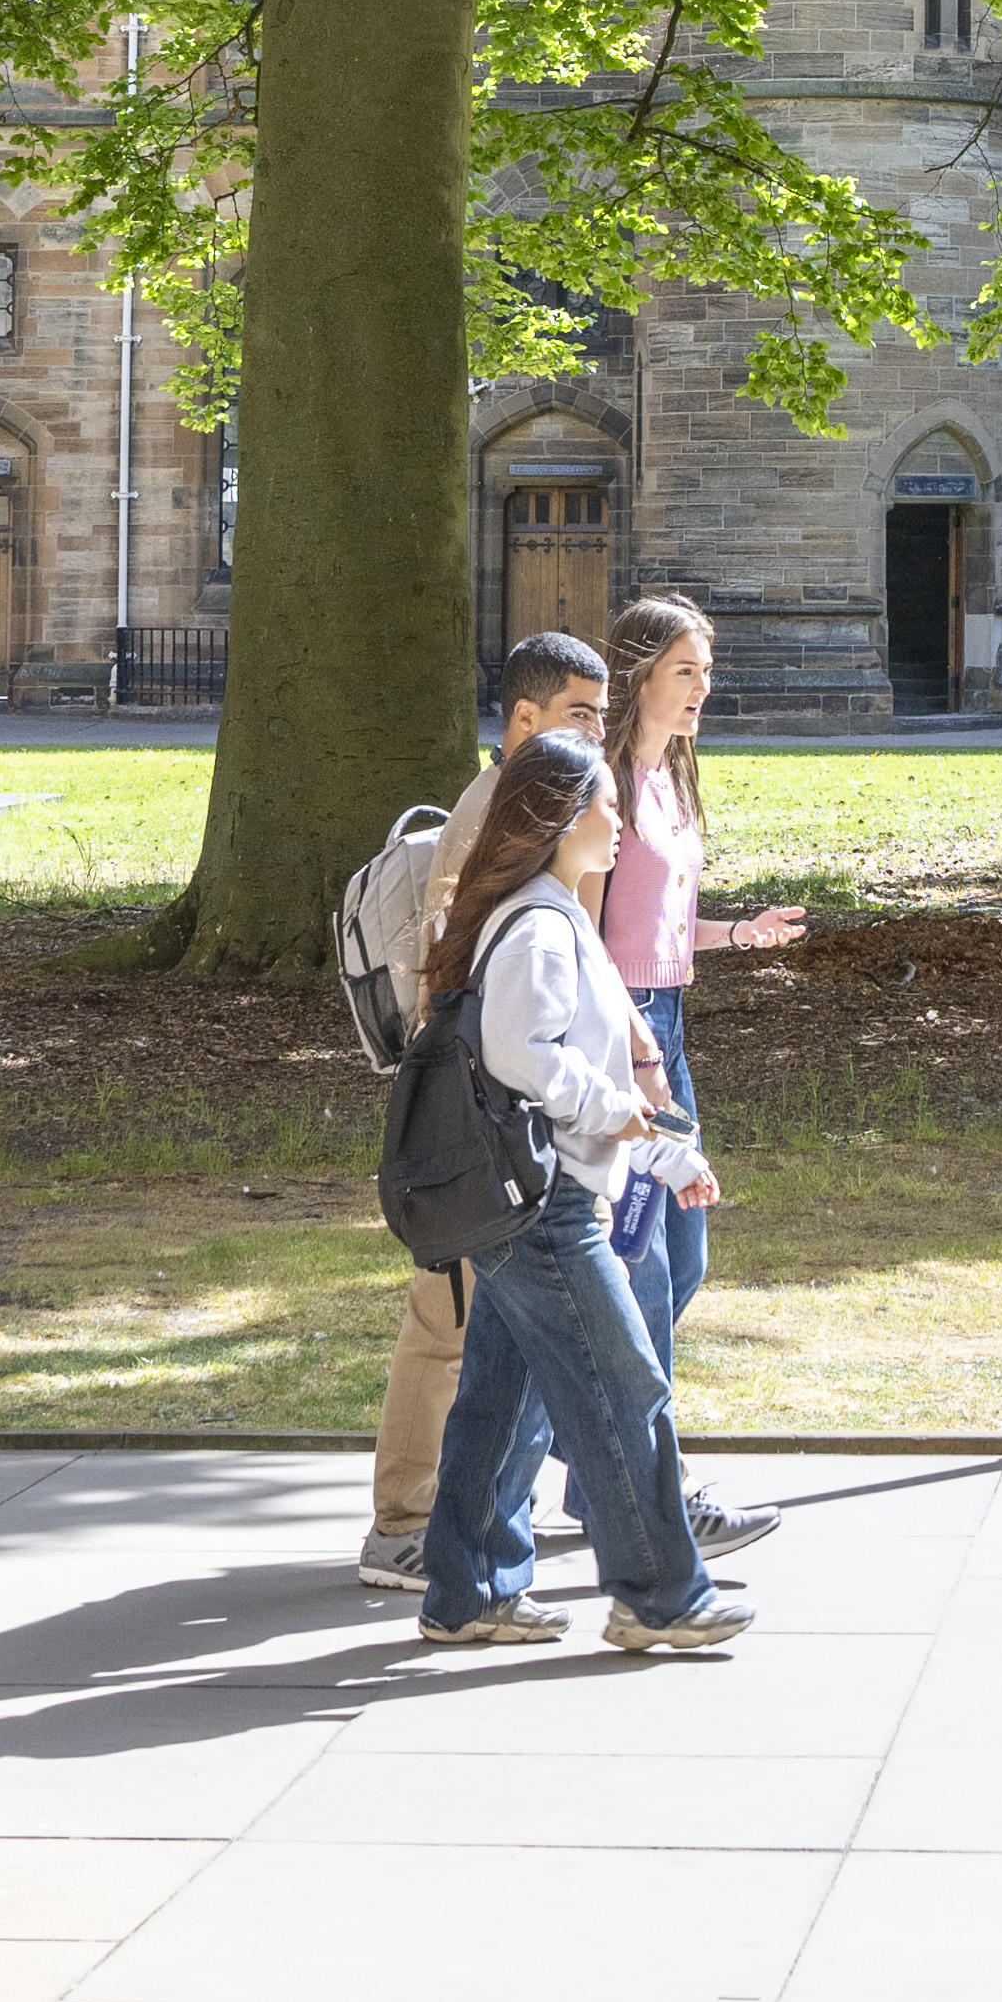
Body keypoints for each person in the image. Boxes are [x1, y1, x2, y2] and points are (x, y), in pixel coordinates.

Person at [445, 592, 796, 1584]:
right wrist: (628, 1044)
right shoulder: (597, 788)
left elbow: (666, 921)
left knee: (676, 1267)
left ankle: (568, 1486)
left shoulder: (676, 781)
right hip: (622, 1031)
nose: (702, 689)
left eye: (708, 670)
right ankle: (642, 1505)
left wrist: (737, 934)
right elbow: (583, 931)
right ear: (643, 674)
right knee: (628, 1279)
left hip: (667, 1021)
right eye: (686, 669)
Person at [408, 729, 742, 1653]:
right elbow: (526, 1057)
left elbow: (593, 1069)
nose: (620, 826)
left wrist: (668, 1156)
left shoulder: (551, 915)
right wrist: (620, 1116)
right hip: (546, 1212)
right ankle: (660, 1597)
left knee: (500, 1400)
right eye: (604, 808)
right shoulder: (542, 926)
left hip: (534, 1199)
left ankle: (466, 1592)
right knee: (625, 1390)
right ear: (558, 820)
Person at [356, 631, 610, 1588]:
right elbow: (455, 973)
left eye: (600, 711)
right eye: (579, 713)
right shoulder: (490, 812)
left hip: (500, 1106)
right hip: (474, 1112)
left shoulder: (529, 807)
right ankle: (407, 1523)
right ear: (526, 720)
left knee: (491, 1321)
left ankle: (485, 1506)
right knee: (445, 1319)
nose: (596, 728)